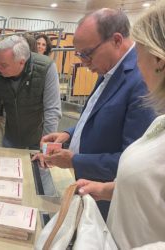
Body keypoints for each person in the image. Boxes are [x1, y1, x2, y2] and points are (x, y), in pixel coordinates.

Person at [34, 8, 156, 220]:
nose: (83, 61)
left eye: (87, 53)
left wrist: (76, 161)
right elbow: (97, 116)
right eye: (79, 54)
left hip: (108, 202)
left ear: (117, 40)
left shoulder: (141, 81)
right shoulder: (109, 68)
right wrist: (69, 134)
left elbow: (131, 161)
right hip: (89, 190)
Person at [76, 5, 165, 249]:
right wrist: (106, 189)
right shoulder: (160, 122)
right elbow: (149, 184)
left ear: (158, 60)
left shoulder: (136, 85)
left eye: (139, 54)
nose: (135, 61)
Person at [0, 35, 61, 149]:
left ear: (21, 62)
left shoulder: (46, 68)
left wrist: (46, 147)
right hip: (10, 139)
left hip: (38, 140)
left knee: (37, 167)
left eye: (4, 65)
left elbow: (52, 111)